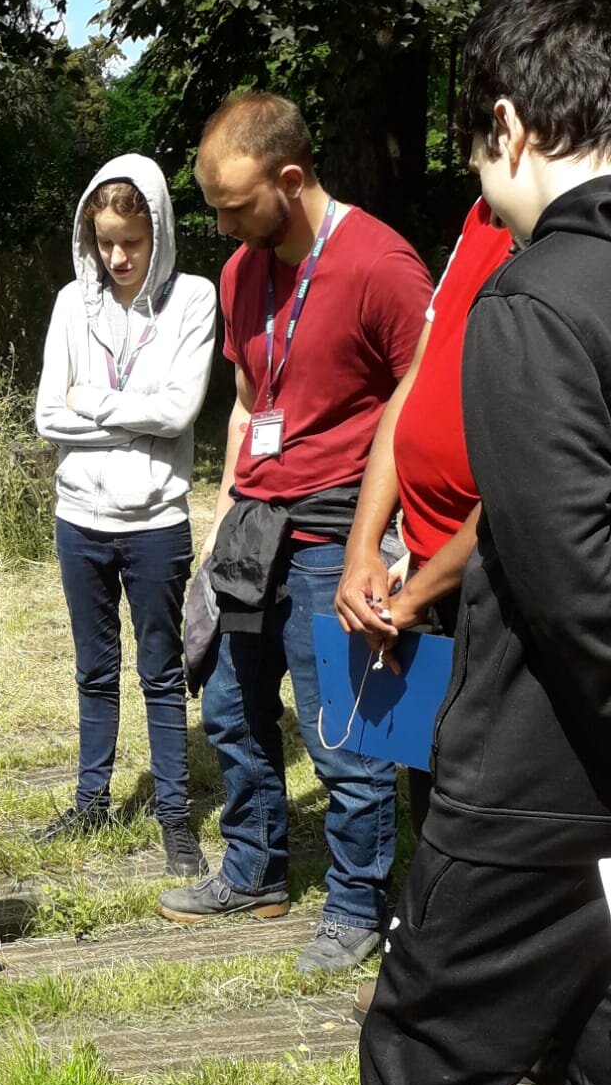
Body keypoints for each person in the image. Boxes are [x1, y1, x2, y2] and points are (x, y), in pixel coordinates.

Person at [249, 0, 611, 1085]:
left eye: (478, 153)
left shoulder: (538, 304)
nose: (479, 184)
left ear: (518, 129)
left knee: (422, 1061)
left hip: (541, 780)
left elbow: (575, 579)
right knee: (602, 1077)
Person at [158, 95, 433, 973]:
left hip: (340, 527)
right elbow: (250, 404)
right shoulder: (244, 270)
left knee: (348, 730)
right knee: (233, 708)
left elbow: (420, 406)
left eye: (236, 205)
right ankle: (255, 870)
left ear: (291, 177)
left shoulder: (381, 263)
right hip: (255, 522)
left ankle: (358, 903)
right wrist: (222, 518)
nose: (224, 226)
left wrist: (392, 547)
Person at [331, 197, 561, 1085]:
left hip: (493, 581)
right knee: (437, 785)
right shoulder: (482, 219)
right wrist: (365, 542)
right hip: (421, 571)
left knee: (510, 814)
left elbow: (527, 473)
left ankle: (525, 1050)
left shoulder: (562, 242)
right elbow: (414, 385)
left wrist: (423, 587)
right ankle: (443, 996)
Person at [34, 154, 217, 877]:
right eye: (105, 241)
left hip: (154, 524)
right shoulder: (69, 306)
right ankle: (90, 801)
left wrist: (96, 405)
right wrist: (132, 420)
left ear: (159, 231)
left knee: (162, 672)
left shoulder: (193, 300)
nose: (117, 258)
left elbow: (179, 412)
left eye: (132, 243)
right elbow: (50, 416)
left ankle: (175, 816)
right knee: (93, 669)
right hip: (79, 518)